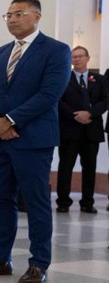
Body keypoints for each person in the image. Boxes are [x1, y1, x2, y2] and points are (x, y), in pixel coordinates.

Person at [0, 0, 71, 283]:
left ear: (37, 16)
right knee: (2, 200)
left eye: (19, 14)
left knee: (35, 202)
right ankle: (0, 259)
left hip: (33, 139)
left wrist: (10, 120)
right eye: (8, 15)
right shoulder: (0, 52)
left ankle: (39, 263)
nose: (12, 19)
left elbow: (49, 94)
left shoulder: (56, 50)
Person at [56, 46, 105, 214]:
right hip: (69, 130)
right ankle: (63, 202)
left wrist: (90, 113)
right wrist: (74, 115)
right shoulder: (63, 78)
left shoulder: (99, 79)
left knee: (90, 168)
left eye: (80, 56)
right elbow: (58, 101)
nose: (77, 59)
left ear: (88, 58)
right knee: (65, 167)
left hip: (92, 131)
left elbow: (105, 101)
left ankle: (87, 203)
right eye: (74, 57)